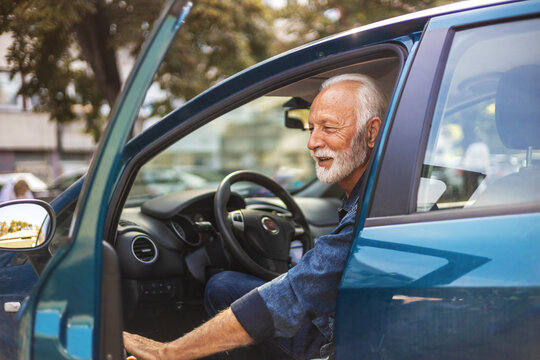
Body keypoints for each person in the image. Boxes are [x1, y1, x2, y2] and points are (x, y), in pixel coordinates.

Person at [123, 73, 386, 360]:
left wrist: (167, 352)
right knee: (223, 286)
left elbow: (290, 296)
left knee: (227, 290)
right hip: (350, 324)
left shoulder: (370, 212)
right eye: (311, 128)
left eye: (328, 128)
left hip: (338, 345)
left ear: (371, 133)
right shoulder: (383, 192)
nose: (312, 142)